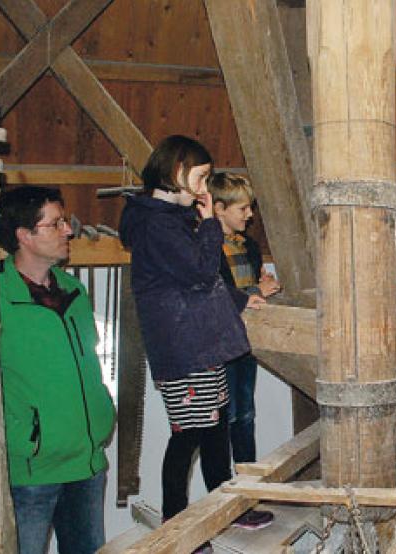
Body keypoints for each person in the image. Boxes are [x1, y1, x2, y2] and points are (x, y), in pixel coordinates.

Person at [118, 136, 266, 542]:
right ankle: (177, 526)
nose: (204, 189)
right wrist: (212, 224)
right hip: (183, 348)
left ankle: (223, 509)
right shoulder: (155, 223)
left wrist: (240, 298)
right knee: (189, 437)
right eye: (200, 178)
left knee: (215, 428)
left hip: (201, 343)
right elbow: (200, 272)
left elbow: (206, 280)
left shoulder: (173, 220)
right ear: (176, 172)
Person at [0, 186, 116, 553]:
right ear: (24, 236)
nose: (68, 230)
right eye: (55, 223)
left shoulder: (73, 290)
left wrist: (103, 414)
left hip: (87, 463)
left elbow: (90, 364)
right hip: (33, 467)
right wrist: (24, 438)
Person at [205, 171, 279, 529]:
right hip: (219, 345)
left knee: (245, 418)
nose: (249, 215)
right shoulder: (206, 248)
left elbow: (251, 289)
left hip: (244, 345)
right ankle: (225, 503)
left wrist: (261, 289)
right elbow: (217, 294)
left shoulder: (247, 246)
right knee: (225, 420)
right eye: (242, 208)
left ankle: (248, 499)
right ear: (218, 209)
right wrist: (255, 293)